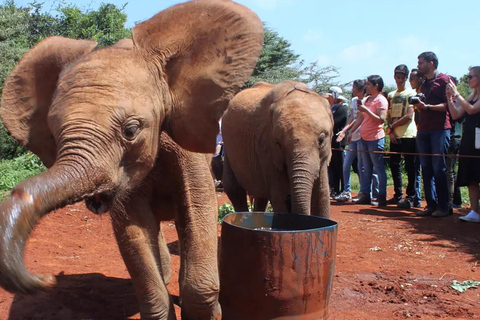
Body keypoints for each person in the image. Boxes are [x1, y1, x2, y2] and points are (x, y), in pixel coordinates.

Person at [413, 52, 451, 217]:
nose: (418, 65)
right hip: (423, 129)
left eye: (421, 62)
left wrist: (428, 107)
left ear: (431, 63)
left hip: (440, 129)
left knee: (439, 168)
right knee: (426, 168)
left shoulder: (444, 80)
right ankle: (431, 205)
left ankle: (444, 207)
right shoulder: (422, 83)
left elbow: (449, 105)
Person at [446, 67, 480, 223]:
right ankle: (474, 211)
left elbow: (472, 110)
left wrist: (457, 94)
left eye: (471, 76)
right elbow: (456, 114)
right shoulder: (473, 94)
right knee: (472, 174)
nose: (468, 79)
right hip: (470, 138)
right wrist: (449, 98)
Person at [348, 75, 388, 206]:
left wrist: (366, 111)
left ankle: (381, 196)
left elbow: (381, 119)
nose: (366, 87)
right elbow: (360, 118)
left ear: (376, 86)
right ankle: (365, 194)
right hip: (363, 138)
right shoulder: (366, 99)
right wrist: (351, 131)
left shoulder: (381, 100)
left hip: (375, 138)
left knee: (378, 168)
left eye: (369, 84)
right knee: (365, 168)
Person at [386, 64, 421, 208]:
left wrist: (393, 126)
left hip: (408, 134)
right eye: (397, 77)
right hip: (395, 135)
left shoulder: (411, 94)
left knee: (410, 166)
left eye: (402, 77)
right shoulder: (391, 95)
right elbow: (388, 115)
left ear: (406, 78)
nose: (399, 80)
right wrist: (391, 131)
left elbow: (409, 116)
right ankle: (397, 195)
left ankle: (411, 196)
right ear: (394, 77)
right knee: (395, 165)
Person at [335, 80, 366, 202]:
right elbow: (352, 117)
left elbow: (359, 118)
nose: (353, 90)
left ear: (361, 89)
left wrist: (347, 131)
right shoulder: (354, 101)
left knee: (361, 166)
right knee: (346, 164)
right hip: (353, 136)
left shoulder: (366, 101)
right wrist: (346, 131)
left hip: (363, 136)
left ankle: (365, 191)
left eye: (355, 88)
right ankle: (347, 191)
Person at [326, 86, 348, 198]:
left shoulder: (342, 109)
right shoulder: (332, 108)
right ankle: (334, 189)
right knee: (332, 166)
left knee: (339, 166)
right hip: (331, 142)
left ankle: (343, 190)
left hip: (338, 141)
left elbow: (335, 123)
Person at [446, 77, 463, 209]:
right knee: (451, 171)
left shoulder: (457, 101)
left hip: (454, 137)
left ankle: (452, 201)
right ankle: (456, 200)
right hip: (452, 137)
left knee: (449, 171)